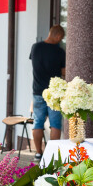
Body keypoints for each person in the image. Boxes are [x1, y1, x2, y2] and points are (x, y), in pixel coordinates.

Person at [30, 24, 66, 160]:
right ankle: (52, 155)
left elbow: (35, 64)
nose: (60, 40)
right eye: (61, 38)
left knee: (38, 122)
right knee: (55, 124)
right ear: (57, 36)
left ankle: (38, 153)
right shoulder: (59, 52)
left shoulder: (35, 47)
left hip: (38, 91)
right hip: (54, 93)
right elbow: (63, 71)